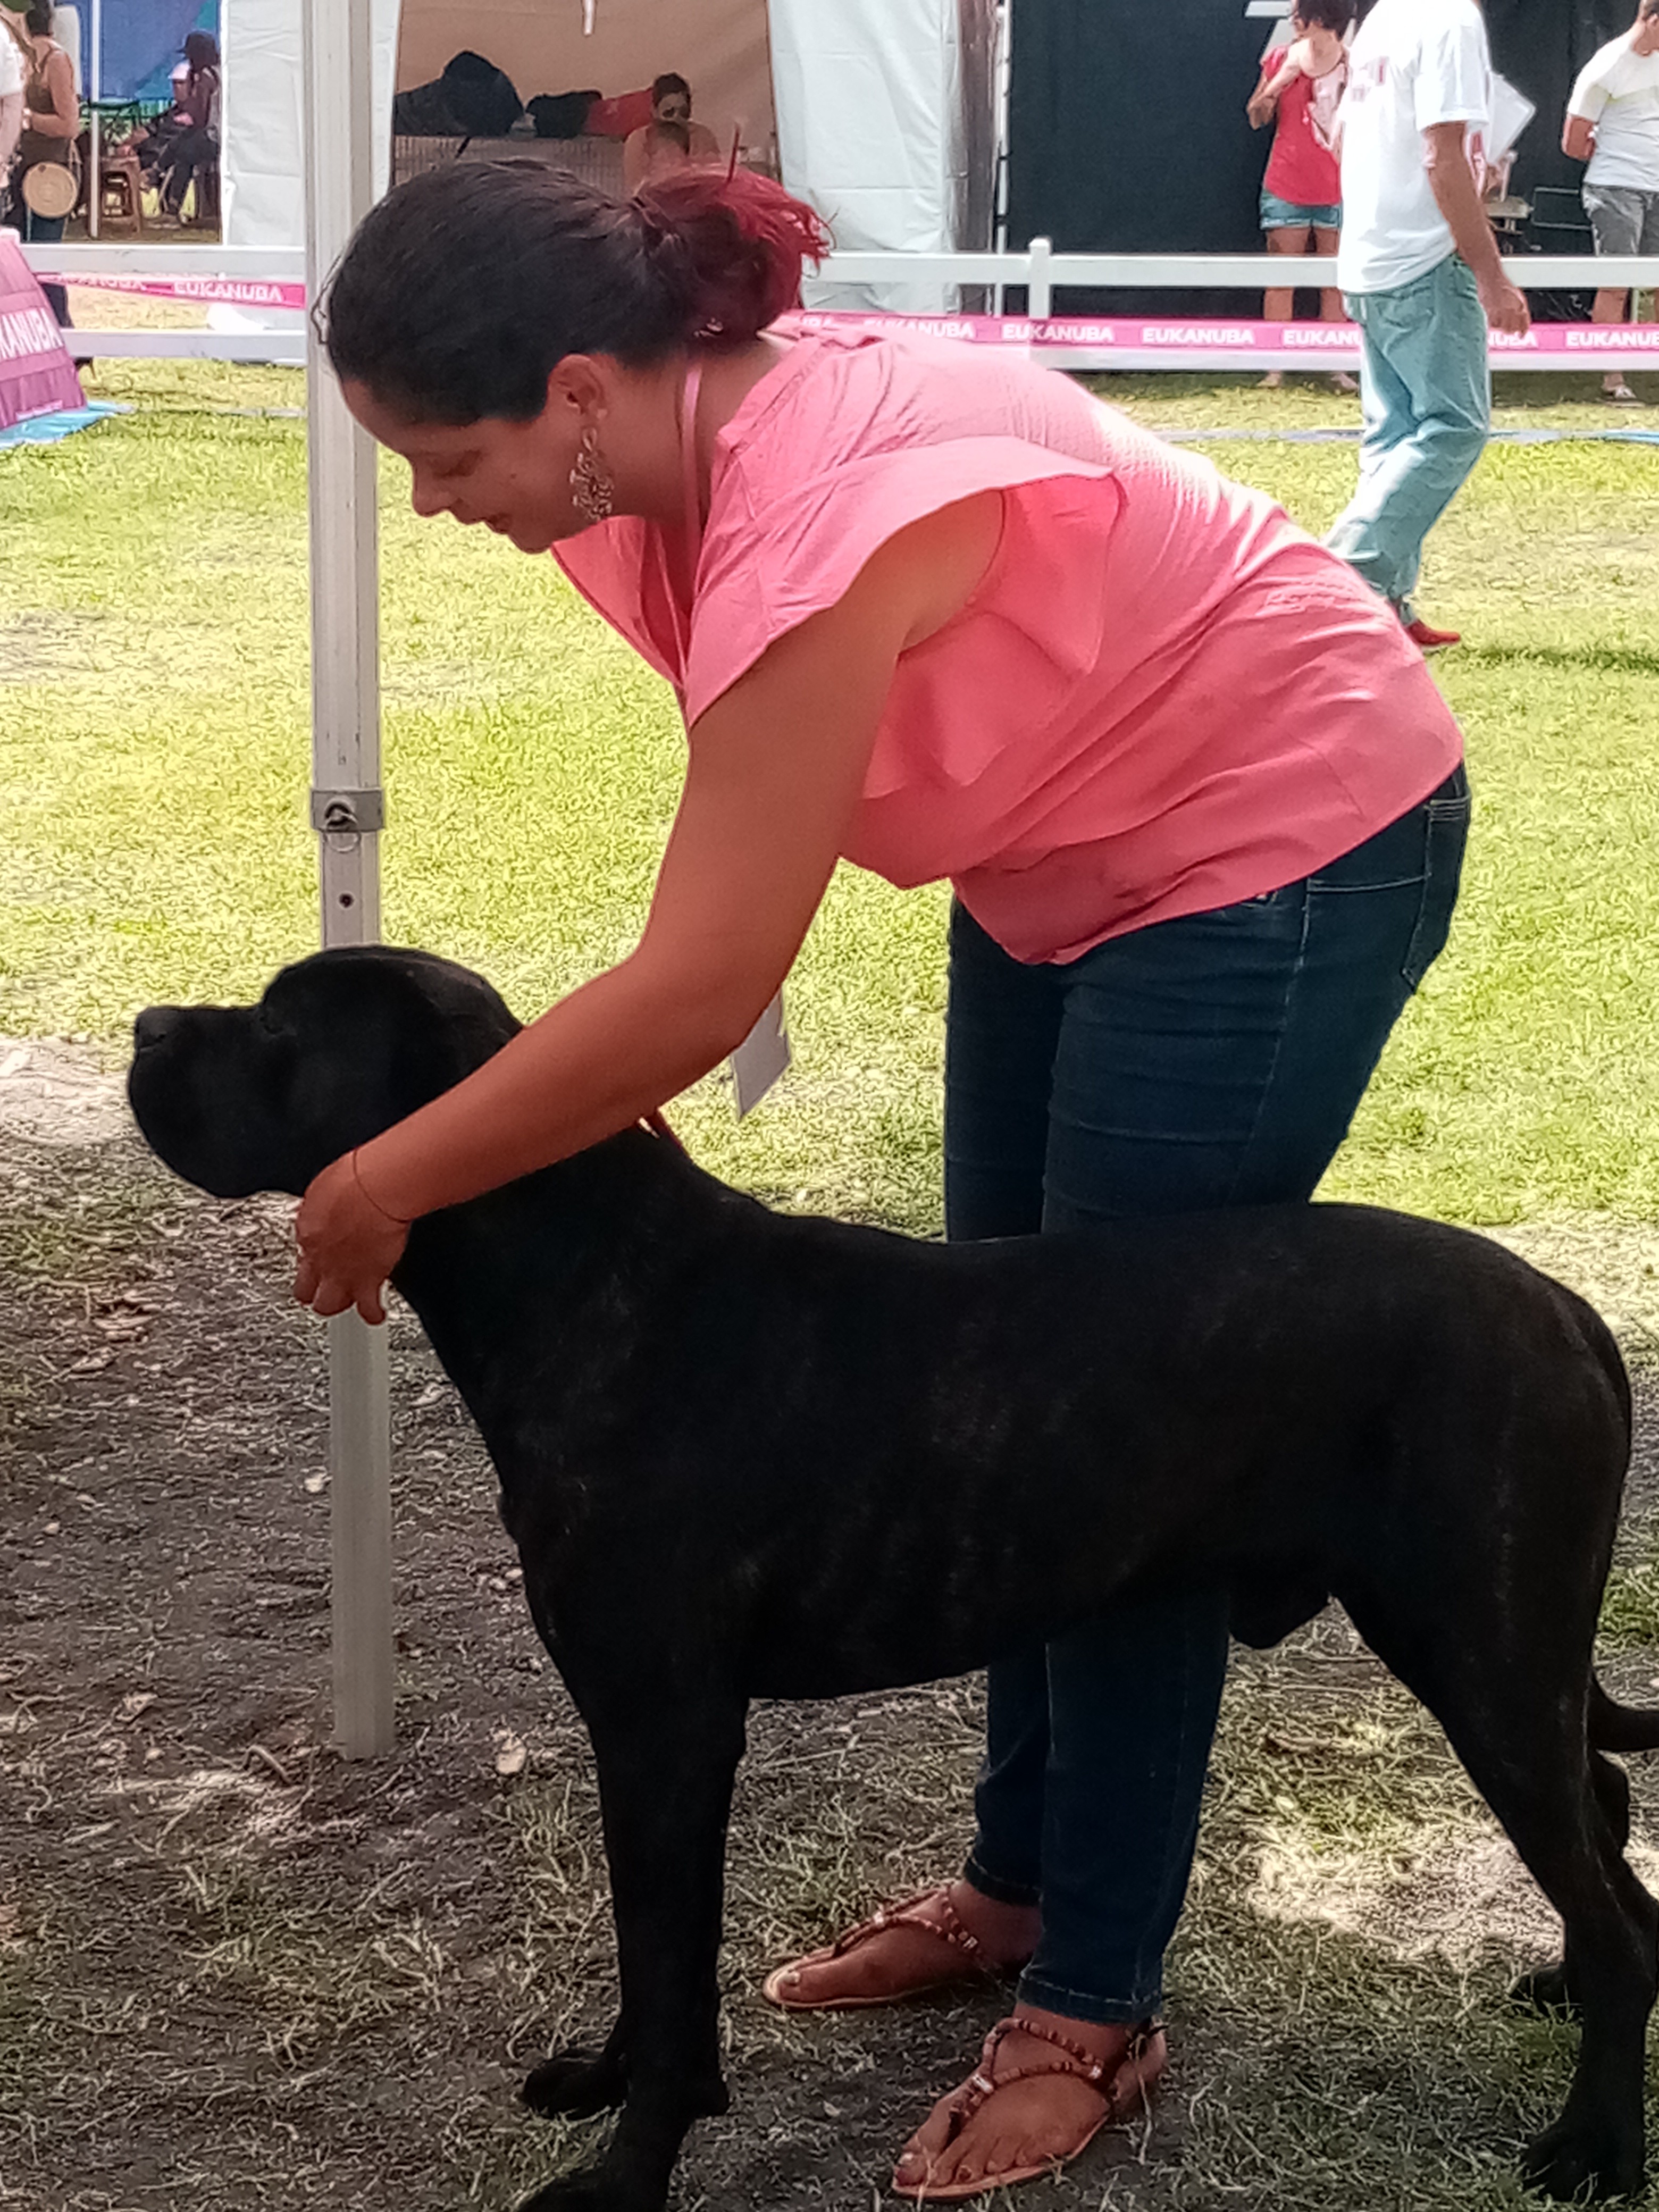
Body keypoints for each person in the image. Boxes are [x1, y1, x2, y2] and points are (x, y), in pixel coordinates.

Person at [308, 160, 1469, 2201]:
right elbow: (734, 865)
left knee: (1118, 1442)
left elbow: (698, 979)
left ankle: (1091, 1998)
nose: (428, 506)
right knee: (1001, 1406)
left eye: (447, 456)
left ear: (581, 387)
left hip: (1273, 841)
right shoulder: (662, 443)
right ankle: (1020, 1886)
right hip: (1063, 859)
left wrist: (384, 1178)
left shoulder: (814, 500)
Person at [1324, 0, 1530, 652]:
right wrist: (1492, 275)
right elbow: (1442, 156)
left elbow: (1342, 136)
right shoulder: (1451, 20)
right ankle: (1345, 571)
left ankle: (1384, 604)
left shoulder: (1387, 16)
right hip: (1424, 258)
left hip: (1370, 256)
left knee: (1395, 434)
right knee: (1454, 427)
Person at [1246, 0, 1360, 393]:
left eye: (1298, 13)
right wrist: (1273, 90)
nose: (1293, 20)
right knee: (1282, 278)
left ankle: (1335, 365)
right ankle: (1276, 365)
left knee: (1337, 281)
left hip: (1339, 187)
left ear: (1321, 19)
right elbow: (1255, 116)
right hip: (1286, 183)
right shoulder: (1282, 58)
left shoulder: (1355, 64)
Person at [1563, 0, 1659, 407]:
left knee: (1655, 285)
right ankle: (1612, 375)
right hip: (1616, 186)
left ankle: (1650, 366)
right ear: (1653, 21)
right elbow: (1572, 141)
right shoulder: (1607, 64)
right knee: (1616, 284)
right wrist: (1614, 153)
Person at [4, 2, 77, 328]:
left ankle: (64, 334)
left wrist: (27, 119)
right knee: (18, 258)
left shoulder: (56, 60)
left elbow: (70, 125)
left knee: (46, 257)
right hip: (18, 169)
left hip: (51, 172)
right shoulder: (15, 59)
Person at [157, 30, 220, 224]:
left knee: (185, 152)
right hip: (222, 134)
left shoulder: (206, 77)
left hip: (215, 136)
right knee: (183, 142)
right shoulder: (221, 71)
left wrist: (191, 100)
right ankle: (157, 174)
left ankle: (172, 205)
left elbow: (199, 117)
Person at [622, 72, 718, 191]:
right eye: (669, 112)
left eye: (683, 112)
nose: (676, 118)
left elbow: (711, 184)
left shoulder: (703, 136)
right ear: (654, 110)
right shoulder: (639, 139)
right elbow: (636, 189)